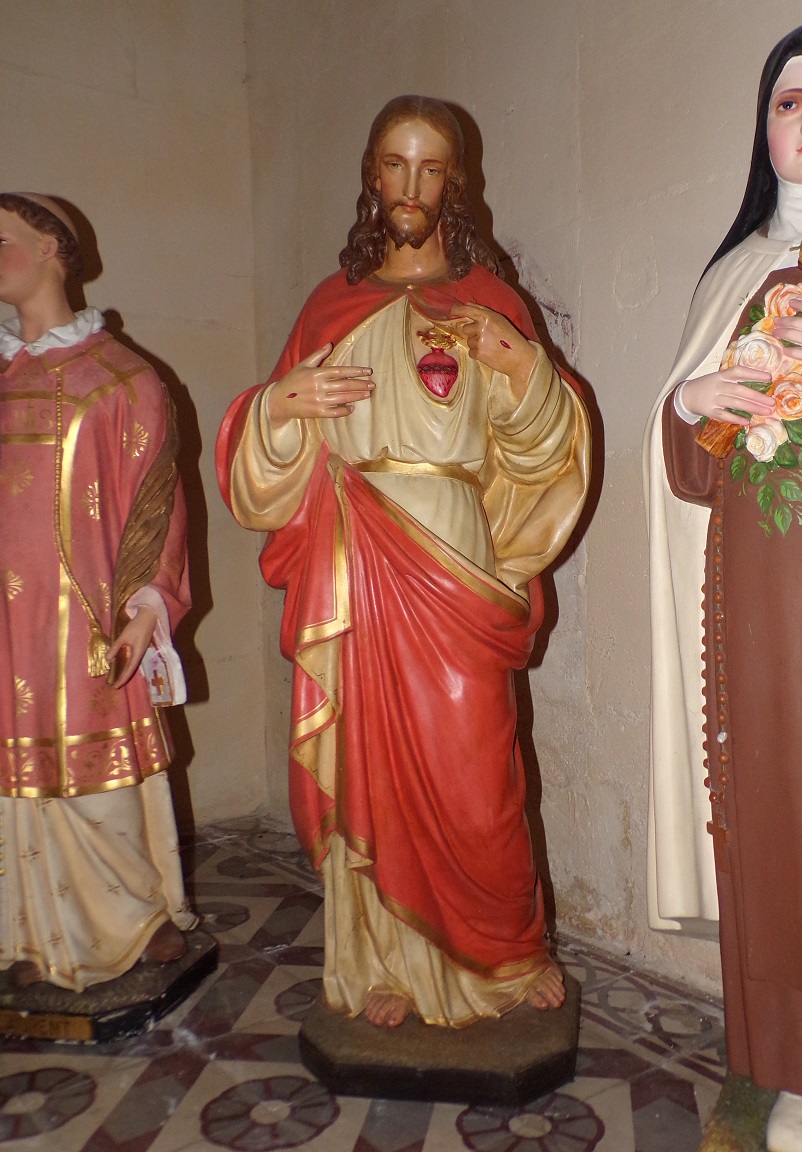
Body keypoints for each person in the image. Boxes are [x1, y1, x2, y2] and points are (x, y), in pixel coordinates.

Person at [217, 96, 590, 1029]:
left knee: (479, 768)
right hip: (355, 562)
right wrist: (283, 404)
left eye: (432, 168)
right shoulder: (327, 307)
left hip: (458, 559)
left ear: (454, 182)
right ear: (372, 176)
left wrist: (522, 368)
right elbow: (262, 474)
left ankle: (505, 951)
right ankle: (382, 960)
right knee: (371, 762)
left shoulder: (493, 305)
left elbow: (546, 454)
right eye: (395, 165)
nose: (412, 187)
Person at [646, 21, 802, 1152]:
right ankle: (798, 1066)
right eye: (790, 102)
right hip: (757, 615)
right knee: (781, 831)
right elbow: (684, 472)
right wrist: (690, 407)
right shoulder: (733, 273)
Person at [0, 193, 196, 992]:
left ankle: (136, 915)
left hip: (82, 621)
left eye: (3, 240)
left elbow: (159, 506)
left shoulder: (124, 379)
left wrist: (148, 604)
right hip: (8, 623)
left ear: (53, 247)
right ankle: (23, 922)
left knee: (98, 772)